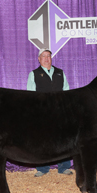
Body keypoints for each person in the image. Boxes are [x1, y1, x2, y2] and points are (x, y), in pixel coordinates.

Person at [27, 48, 73, 177]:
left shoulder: (60, 73)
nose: (47, 58)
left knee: (63, 140)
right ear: (39, 59)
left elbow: (67, 92)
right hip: (42, 112)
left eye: (49, 56)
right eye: (44, 56)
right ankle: (42, 168)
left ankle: (64, 167)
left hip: (59, 111)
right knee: (41, 140)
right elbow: (30, 95)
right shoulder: (34, 74)